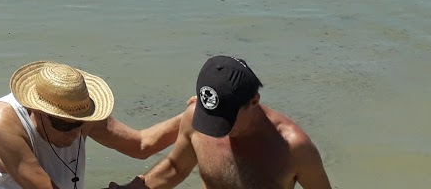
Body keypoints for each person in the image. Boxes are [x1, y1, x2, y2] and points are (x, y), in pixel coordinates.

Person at [109, 55, 331, 189]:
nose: (215, 130)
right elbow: (176, 168)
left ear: (254, 101)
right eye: (209, 117)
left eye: (226, 120)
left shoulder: (293, 147)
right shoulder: (195, 118)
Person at [0, 60, 182, 189]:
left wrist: (193, 115)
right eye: (63, 125)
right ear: (37, 110)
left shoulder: (80, 110)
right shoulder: (3, 122)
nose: (74, 134)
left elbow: (141, 145)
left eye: (80, 125)